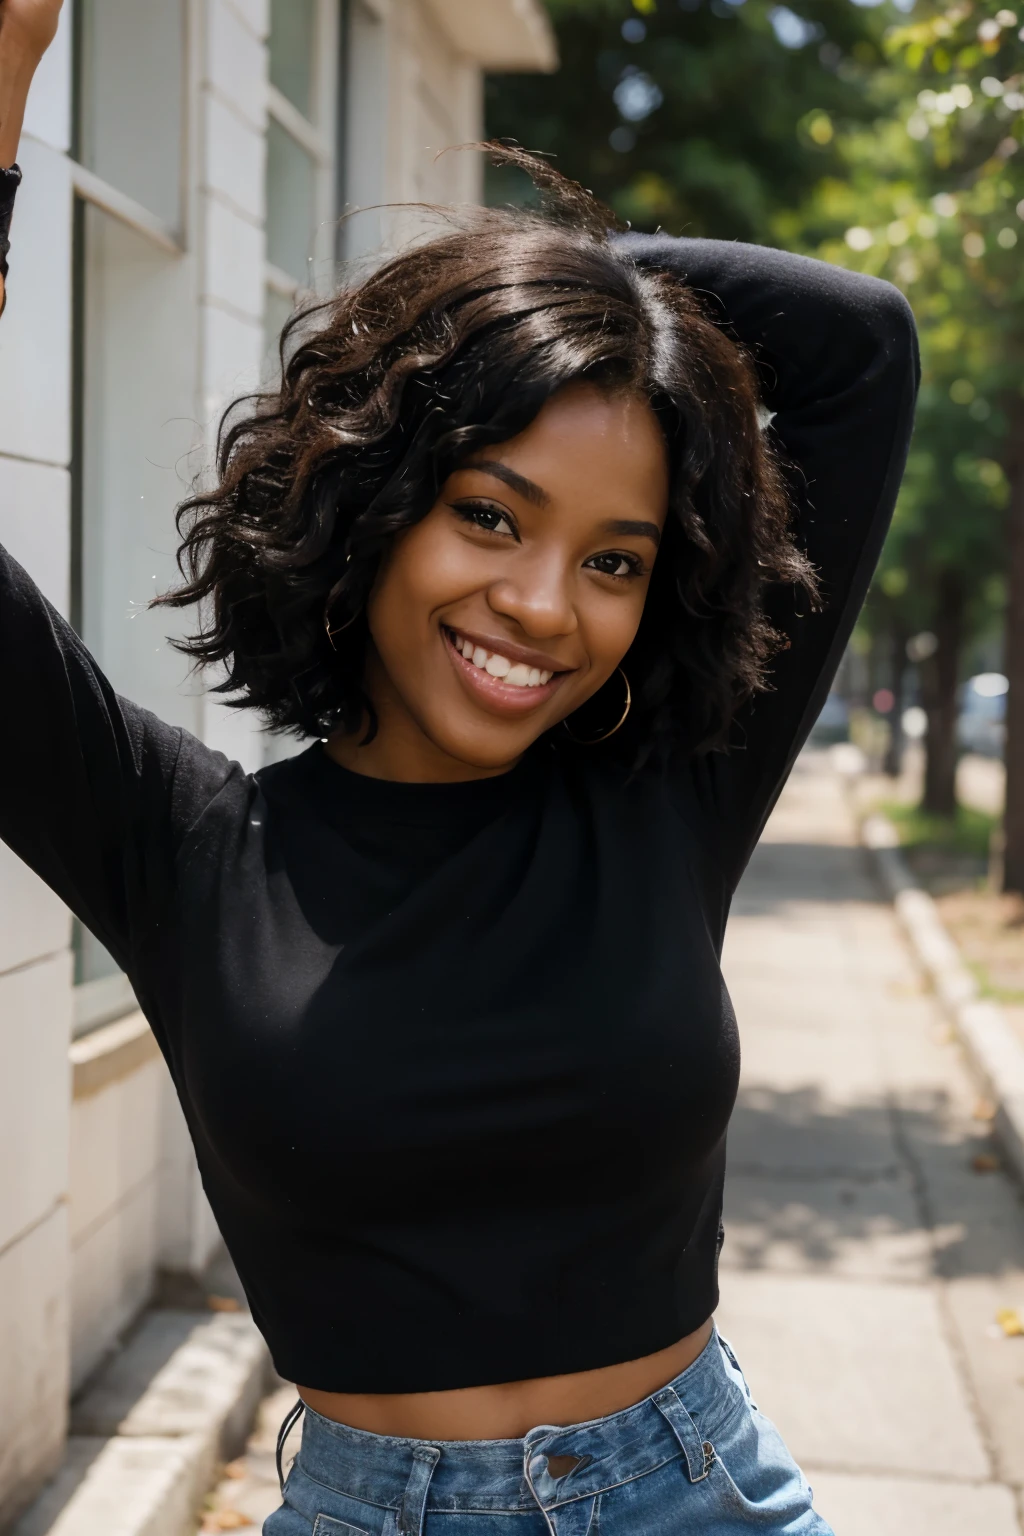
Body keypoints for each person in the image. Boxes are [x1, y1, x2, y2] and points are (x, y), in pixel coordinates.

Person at [0, 5, 917, 1532]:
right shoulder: (184, 848)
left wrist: (543, 311)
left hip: (698, 1496)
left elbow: (856, 340)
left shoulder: (670, 792)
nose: (547, 606)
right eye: (490, 514)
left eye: (613, 558)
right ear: (376, 500)